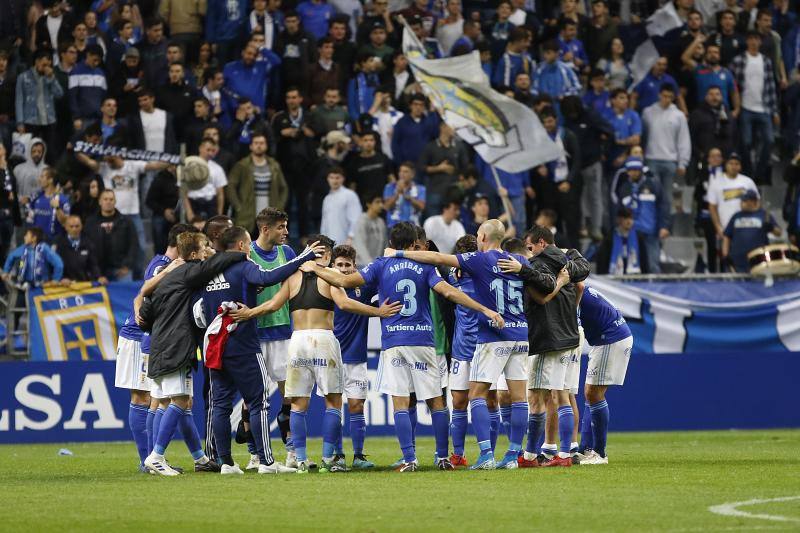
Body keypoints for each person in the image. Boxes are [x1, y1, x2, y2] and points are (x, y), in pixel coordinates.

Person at [308, 221, 503, 472]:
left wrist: (315, 268)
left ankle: (409, 459)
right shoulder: (424, 266)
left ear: (391, 243)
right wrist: (484, 308)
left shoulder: (380, 264)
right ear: (412, 244)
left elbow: (345, 282)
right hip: (422, 340)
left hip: (394, 343)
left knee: (400, 402)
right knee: (436, 401)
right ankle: (443, 457)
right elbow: (449, 293)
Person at [231, 234, 399, 473]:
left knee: (298, 405)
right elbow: (345, 304)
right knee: (333, 402)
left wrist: (249, 313)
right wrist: (378, 312)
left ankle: (299, 459)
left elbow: (272, 305)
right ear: (328, 256)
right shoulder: (330, 278)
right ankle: (328, 459)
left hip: (297, 340)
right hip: (323, 339)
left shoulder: (292, 276)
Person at [385, 219, 538, 470]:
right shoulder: (519, 262)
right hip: (520, 334)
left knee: (477, 394)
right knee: (519, 397)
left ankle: (486, 456)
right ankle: (513, 455)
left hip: (492, 335)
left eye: (479, 234)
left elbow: (439, 259)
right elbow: (538, 279)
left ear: (485, 238)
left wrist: (398, 252)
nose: (477, 239)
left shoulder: (480, 259)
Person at [196, 227, 321, 475]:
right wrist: (304, 256)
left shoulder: (207, 271)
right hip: (243, 344)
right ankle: (266, 462)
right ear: (242, 246)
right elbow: (269, 277)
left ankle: (226, 463)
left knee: (220, 405)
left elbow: (199, 310)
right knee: (258, 403)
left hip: (214, 347)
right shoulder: (244, 266)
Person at [499, 225, 589, 467]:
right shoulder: (566, 260)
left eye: (530, 247)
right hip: (570, 335)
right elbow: (580, 282)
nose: (529, 253)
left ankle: (529, 456)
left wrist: (525, 271)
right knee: (562, 395)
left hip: (547, 339)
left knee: (536, 397)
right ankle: (565, 453)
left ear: (538, 244)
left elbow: (544, 292)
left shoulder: (533, 267)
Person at [115, 223, 193, 472]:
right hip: (138, 337)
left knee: (155, 399)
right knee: (143, 396)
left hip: (149, 336)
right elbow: (146, 293)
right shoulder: (162, 265)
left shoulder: (163, 263)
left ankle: (152, 458)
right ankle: (146, 459)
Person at [575, 283, 633, 465]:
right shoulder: (578, 286)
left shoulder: (573, 286)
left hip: (610, 337)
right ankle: (585, 448)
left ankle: (600, 453)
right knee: (590, 394)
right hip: (608, 337)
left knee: (593, 393)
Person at [731, 31, 779, 184]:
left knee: (769, 140)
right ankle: (748, 172)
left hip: (763, 107)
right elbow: (733, 87)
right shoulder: (738, 60)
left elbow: (771, 86)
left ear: (760, 42)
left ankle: (759, 172)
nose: (753, 42)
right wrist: (736, 107)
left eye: (756, 39)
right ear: (747, 41)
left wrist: (775, 110)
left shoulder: (766, 61)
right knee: (745, 142)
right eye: (751, 39)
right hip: (745, 107)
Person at [611, 157, 669, 274]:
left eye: (637, 169)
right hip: (631, 233)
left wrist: (664, 226)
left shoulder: (653, 184)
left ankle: (655, 290)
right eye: (631, 170)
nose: (634, 172)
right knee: (631, 266)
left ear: (641, 170)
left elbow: (663, 206)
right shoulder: (624, 189)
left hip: (650, 232)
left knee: (653, 266)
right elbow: (619, 211)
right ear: (627, 171)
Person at [534, 108, 582, 249]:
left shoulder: (567, 135)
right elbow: (535, 157)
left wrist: (569, 181)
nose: (548, 125)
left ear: (556, 120)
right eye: (545, 122)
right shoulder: (541, 138)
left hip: (567, 184)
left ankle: (575, 254)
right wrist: (539, 167)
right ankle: (556, 253)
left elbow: (577, 160)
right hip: (550, 186)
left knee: (571, 222)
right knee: (554, 222)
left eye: (550, 121)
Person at [227, 132, 288, 233]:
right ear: (251, 146)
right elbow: (231, 186)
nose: (259, 146)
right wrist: (238, 206)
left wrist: (280, 206)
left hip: (270, 214)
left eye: (262, 143)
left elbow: (284, 187)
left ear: (266, 146)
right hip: (247, 214)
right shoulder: (242, 165)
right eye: (256, 143)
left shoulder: (274, 165)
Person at [641, 84, 691, 198]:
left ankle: (666, 217)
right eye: (664, 96)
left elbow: (683, 140)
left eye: (670, 97)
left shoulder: (679, 116)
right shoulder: (647, 113)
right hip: (651, 159)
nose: (667, 99)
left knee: (668, 198)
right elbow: (643, 137)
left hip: (671, 161)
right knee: (651, 195)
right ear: (659, 95)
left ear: (673, 98)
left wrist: (682, 163)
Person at [15, 50, 63, 157]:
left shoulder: (50, 76)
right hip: (30, 120)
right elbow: (19, 100)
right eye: (44, 64)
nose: (46, 67)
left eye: (48, 65)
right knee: (30, 150)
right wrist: (20, 122)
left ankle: (49, 172)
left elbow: (59, 94)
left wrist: (51, 79)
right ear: (37, 62)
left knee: (50, 151)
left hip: (49, 119)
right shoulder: (23, 77)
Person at [84, 190, 138, 281]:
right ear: (100, 202)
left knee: (125, 294)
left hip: (121, 270)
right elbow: (87, 246)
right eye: (105, 199)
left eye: (111, 199)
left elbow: (134, 244)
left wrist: (127, 266)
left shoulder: (126, 221)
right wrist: (94, 270)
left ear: (115, 202)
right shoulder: (90, 223)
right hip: (98, 272)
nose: (108, 202)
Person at [418, 122, 469, 219]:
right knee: (433, 220)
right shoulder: (430, 147)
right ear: (442, 127)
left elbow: (465, 167)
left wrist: (461, 179)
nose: (454, 129)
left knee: (453, 222)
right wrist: (439, 168)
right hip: (435, 190)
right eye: (451, 126)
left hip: (453, 192)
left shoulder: (459, 147)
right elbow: (421, 167)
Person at [722, 190, 781, 272]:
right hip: (737, 261)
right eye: (742, 201)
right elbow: (727, 236)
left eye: (745, 201)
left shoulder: (764, 215)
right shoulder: (736, 216)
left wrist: (771, 228)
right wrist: (725, 255)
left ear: (753, 201)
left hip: (759, 259)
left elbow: (779, 233)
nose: (741, 203)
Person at [708, 152, 759, 242]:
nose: (734, 166)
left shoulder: (748, 182)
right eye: (731, 163)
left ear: (740, 166)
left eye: (737, 164)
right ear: (726, 165)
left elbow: (757, 202)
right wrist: (718, 228)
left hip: (746, 228)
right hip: (726, 229)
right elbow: (712, 207)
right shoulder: (716, 183)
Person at [343, 131, 394, 205]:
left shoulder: (383, 158)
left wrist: (392, 196)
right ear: (360, 142)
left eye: (371, 140)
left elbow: (391, 178)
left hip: (383, 200)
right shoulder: (354, 163)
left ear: (375, 142)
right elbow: (352, 186)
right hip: (364, 202)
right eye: (365, 140)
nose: (369, 143)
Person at [54, 215, 106, 283]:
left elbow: (93, 265)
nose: (74, 229)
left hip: (83, 283)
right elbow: (54, 265)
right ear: (66, 227)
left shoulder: (88, 244)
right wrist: (61, 278)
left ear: (81, 226)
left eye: (77, 226)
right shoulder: (59, 244)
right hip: (64, 284)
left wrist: (99, 277)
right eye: (71, 226)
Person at [390, 94, 439, 167]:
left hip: (426, 165)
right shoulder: (402, 122)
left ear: (424, 107)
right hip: (408, 166)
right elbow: (395, 144)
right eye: (415, 104)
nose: (418, 107)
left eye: (421, 105)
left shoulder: (429, 122)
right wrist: (400, 164)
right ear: (410, 106)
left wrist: (433, 113)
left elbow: (436, 136)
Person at [595, 207, 647, 275]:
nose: (629, 221)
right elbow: (602, 261)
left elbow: (644, 260)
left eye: (631, 218)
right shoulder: (610, 238)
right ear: (618, 220)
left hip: (634, 278)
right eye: (625, 218)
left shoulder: (638, 237)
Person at [185, 138, 227, 221]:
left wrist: (219, 214)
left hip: (210, 205)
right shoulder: (188, 165)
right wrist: (189, 212)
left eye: (213, 150)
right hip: (193, 203)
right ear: (200, 148)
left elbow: (220, 194)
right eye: (208, 150)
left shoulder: (218, 168)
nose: (210, 153)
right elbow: (183, 192)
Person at [320, 167, 363, 245]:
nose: (334, 180)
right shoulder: (327, 199)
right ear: (328, 179)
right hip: (330, 244)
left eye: (337, 178)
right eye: (332, 177)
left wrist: (351, 237)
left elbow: (356, 219)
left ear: (343, 179)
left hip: (348, 242)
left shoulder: (350, 195)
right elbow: (324, 223)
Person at [68, 44, 106, 131]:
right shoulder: (76, 71)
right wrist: (76, 117)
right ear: (88, 55)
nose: (96, 63)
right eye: (94, 60)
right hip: (82, 120)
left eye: (99, 61)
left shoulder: (101, 73)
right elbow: (72, 97)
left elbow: (104, 96)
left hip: (98, 118)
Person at [26, 167, 70, 242]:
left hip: (54, 241)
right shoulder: (36, 197)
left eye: (42, 176)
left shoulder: (62, 200)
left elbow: (65, 223)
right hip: (36, 240)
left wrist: (57, 208)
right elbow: (30, 220)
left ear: (50, 180)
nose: (39, 179)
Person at [383, 161, 426, 227]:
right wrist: (397, 194)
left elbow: (422, 207)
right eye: (400, 171)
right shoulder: (390, 187)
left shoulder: (420, 189)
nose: (402, 174)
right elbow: (386, 207)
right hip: (394, 227)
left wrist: (409, 198)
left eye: (405, 172)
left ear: (412, 174)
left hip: (413, 227)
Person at [352, 194, 388, 267]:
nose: (381, 205)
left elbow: (385, 245)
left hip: (376, 265)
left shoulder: (381, 222)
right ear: (368, 204)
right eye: (377, 202)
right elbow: (360, 245)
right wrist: (370, 264)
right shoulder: (361, 221)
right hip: (362, 265)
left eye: (381, 202)